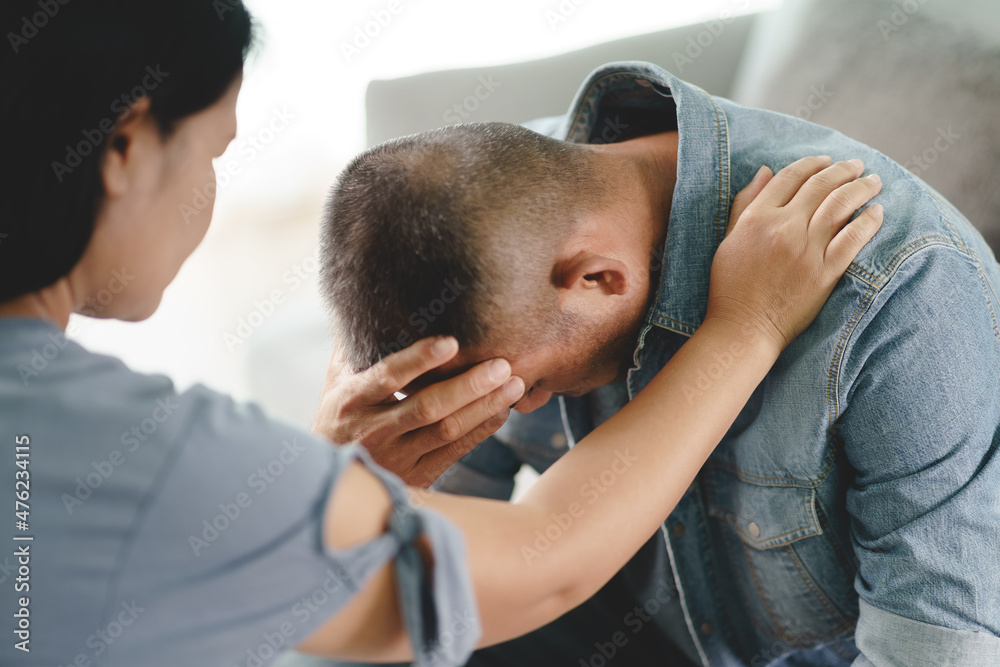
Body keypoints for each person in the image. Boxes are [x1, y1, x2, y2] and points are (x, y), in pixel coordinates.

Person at [0, 3, 884, 666]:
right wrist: (746, 327)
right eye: (214, 152)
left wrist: (314, 498)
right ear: (121, 148)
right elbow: (545, 564)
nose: (212, 191)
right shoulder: (142, 457)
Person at [317, 63, 1000, 665]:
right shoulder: (481, 227)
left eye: (524, 382)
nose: (516, 407)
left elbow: (935, 651)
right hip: (630, 621)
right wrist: (350, 493)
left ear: (596, 279)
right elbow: (442, 571)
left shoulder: (895, 286)